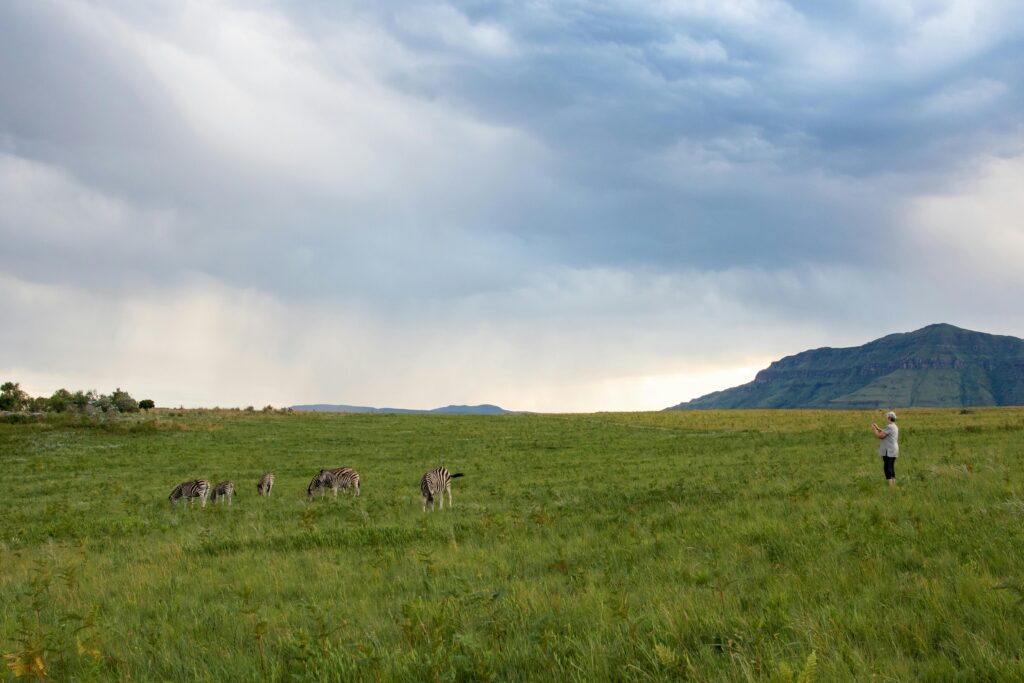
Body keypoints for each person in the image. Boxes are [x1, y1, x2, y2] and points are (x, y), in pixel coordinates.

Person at [871, 411, 899, 487]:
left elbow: (880, 436)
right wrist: (878, 428)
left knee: (887, 467)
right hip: (894, 449)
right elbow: (885, 432)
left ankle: (890, 486)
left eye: (887, 417)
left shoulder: (889, 426)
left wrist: (874, 430)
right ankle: (893, 484)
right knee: (891, 466)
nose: (886, 419)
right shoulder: (894, 426)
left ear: (889, 418)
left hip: (889, 450)